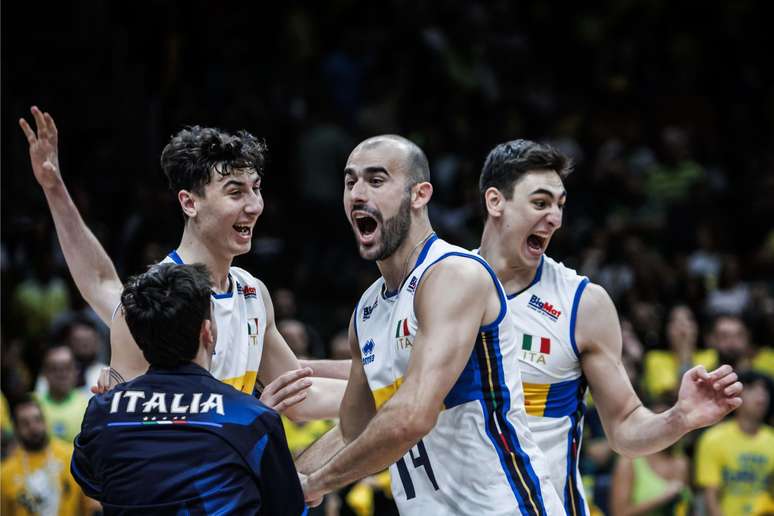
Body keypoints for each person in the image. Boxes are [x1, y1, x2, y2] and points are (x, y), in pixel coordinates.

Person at [19, 106, 343, 420]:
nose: (255, 206)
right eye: (235, 192)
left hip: (233, 470)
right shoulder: (156, 296)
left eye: (255, 189)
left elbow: (300, 395)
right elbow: (151, 436)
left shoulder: (253, 292)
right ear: (189, 202)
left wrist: (386, 391)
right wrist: (54, 187)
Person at [297, 135, 563, 515]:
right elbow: (352, 432)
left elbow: (411, 416)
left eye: (375, 180)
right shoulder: (367, 310)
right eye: (350, 181)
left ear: (419, 195)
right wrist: (285, 479)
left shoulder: (453, 274)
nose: (357, 193)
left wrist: (316, 483)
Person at [475, 139, 743, 514]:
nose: (555, 217)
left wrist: (677, 418)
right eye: (540, 203)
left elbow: (625, 427)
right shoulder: (439, 290)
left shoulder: (583, 303)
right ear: (495, 202)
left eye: (559, 205)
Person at [71, 262, 306, 514]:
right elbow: (288, 508)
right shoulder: (250, 418)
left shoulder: (104, 411)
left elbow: (90, 480)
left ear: (140, 339)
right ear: (207, 332)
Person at [695, 371, 774, 516]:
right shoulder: (713, 438)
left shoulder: (772, 439)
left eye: (765, 389)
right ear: (735, 395)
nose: (761, 394)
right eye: (752, 388)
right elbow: (710, 496)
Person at [1, 395, 95, 516]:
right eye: (25, 423)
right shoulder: (5, 473)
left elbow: (91, 506)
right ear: (15, 429)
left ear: (45, 421)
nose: (33, 427)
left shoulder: (72, 456)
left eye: (37, 419)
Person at [35, 344, 90, 443]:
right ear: (44, 373)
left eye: (67, 367)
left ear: (76, 371)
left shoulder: (88, 405)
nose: (61, 374)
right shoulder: (32, 404)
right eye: (54, 368)